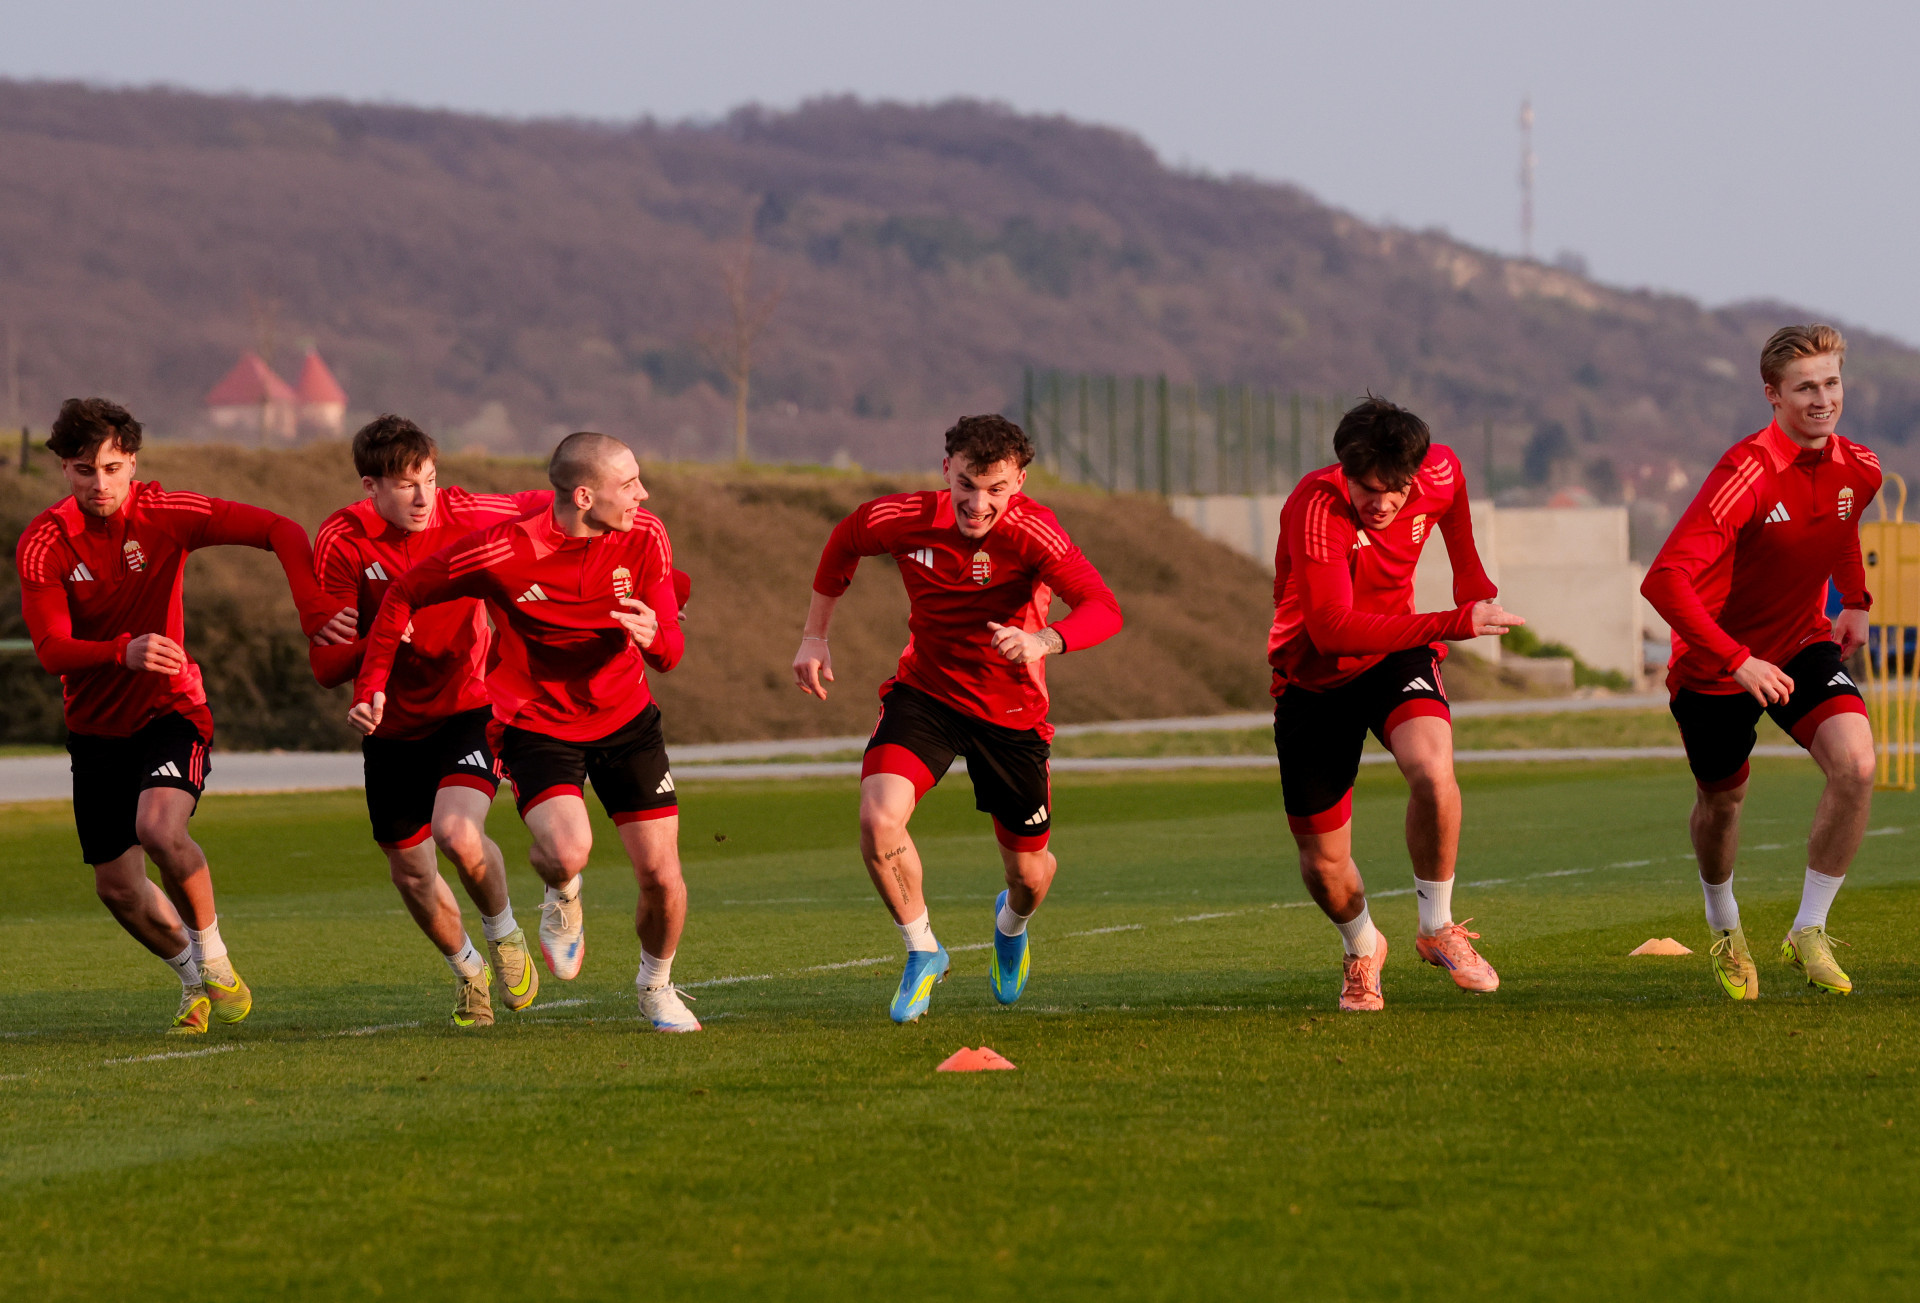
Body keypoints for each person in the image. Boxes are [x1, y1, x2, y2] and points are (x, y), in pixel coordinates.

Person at [349, 432, 701, 1032]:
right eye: (630, 483)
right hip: (536, 722)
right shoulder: (500, 551)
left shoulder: (647, 534)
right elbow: (406, 591)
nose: (643, 493)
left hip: (626, 720)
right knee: (566, 853)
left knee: (662, 879)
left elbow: (670, 652)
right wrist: (371, 682)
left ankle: (656, 986)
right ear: (586, 495)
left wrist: (655, 637)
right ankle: (562, 895)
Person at [792, 414, 1123, 1023]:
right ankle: (923, 950)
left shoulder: (1035, 532)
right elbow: (842, 543)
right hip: (927, 696)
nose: (978, 503)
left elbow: (1103, 608)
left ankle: (1012, 922)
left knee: (1028, 874)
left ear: (1019, 481)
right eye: (967, 483)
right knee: (877, 817)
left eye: (996, 489)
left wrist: (1044, 641)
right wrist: (815, 636)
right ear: (947, 469)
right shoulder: (899, 518)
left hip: (1013, 713)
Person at [15, 397, 332, 1033]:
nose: (99, 484)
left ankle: (213, 958)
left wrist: (315, 613)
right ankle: (195, 980)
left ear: (132, 462)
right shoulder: (43, 543)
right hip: (95, 727)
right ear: (62, 469)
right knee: (117, 887)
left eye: (111, 467)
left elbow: (281, 531)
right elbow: (51, 650)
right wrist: (119, 652)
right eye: (83, 470)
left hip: (172, 708)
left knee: (159, 828)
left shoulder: (166, 513)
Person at [1642, 324, 1881, 998]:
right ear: (1772, 394)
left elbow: (1839, 526)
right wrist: (1735, 657)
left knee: (1858, 764)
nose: (1822, 398)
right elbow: (1662, 581)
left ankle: (1808, 928)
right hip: (1714, 664)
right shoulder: (1744, 473)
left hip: (1802, 643)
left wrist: (1856, 600)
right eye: (1805, 387)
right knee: (1723, 802)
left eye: (1831, 383)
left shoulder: (1860, 466)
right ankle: (1725, 928)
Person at [1268, 396, 1523, 1012]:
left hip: (1396, 653)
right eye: (1367, 488)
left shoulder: (1439, 472)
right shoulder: (1315, 506)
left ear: (1415, 472)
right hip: (1313, 674)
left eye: (1395, 489)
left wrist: (1476, 591)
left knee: (1434, 773)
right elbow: (1332, 629)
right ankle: (1363, 948)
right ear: (1344, 473)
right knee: (1323, 865)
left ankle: (1437, 927)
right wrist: (1456, 620)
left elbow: (1459, 532)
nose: (1381, 503)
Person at [309, 415, 552, 1027]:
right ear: (371, 486)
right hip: (389, 727)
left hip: (470, 705)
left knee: (459, 834)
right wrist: (379, 639)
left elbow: (553, 503)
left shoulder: (465, 513)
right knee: (413, 873)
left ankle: (503, 934)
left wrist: (622, 514)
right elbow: (325, 664)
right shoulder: (341, 540)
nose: (424, 498)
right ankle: (469, 971)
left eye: (431, 480)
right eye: (405, 485)